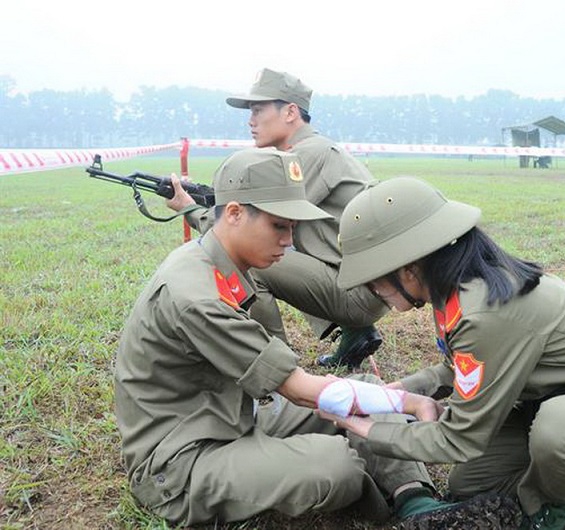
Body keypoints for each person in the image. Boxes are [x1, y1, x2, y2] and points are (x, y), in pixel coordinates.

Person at [114, 150, 518, 528]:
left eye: (292, 228)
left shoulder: (220, 264)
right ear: (234, 213)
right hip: (182, 457)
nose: (289, 241)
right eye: (279, 226)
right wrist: (410, 401)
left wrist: (386, 401)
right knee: (334, 466)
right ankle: (380, 507)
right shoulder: (195, 294)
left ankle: (415, 502)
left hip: (239, 413)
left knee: (369, 390)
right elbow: (303, 391)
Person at [322, 177, 565, 530]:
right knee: (472, 483)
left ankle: (554, 505)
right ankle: (559, 466)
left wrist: (367, 428)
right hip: (553, 402)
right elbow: (465, 369)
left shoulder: (484, 310)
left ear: (408, 269)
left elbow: (458, 439)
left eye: (373, 278)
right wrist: (399, 392)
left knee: (560, 431)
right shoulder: (457, 290)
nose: (372, 291)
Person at [171, 67, 387, 369]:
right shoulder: (314, 149)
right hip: (364, 284)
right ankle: (355, 333)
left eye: (258, 110)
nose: (251, 120)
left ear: (290, 112)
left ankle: (278, 366)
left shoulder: (304, 157)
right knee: (281, 242)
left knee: (247, 257)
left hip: (359, 292)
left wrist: (189, 208)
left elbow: (239, 229)